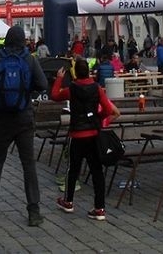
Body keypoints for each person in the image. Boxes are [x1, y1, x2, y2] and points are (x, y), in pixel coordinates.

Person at [0, 25, 48, 226]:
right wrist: (26, 89)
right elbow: (43, 84)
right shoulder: (29, 59)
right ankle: (33, 211)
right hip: (24, 117)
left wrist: (0, 88)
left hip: (1, 118)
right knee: (28, 165)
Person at [50, 58, 120, 221]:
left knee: (72, 169)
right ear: (88, 71)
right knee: (97, 171)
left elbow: (54, 95)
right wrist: (97, 117)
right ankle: (99, 208)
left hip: (76, 134)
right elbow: (109, 109)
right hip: (93, 134)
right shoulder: (96, 88)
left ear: (75, 73)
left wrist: (59, 78)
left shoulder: (72, 88)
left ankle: (68, 201)